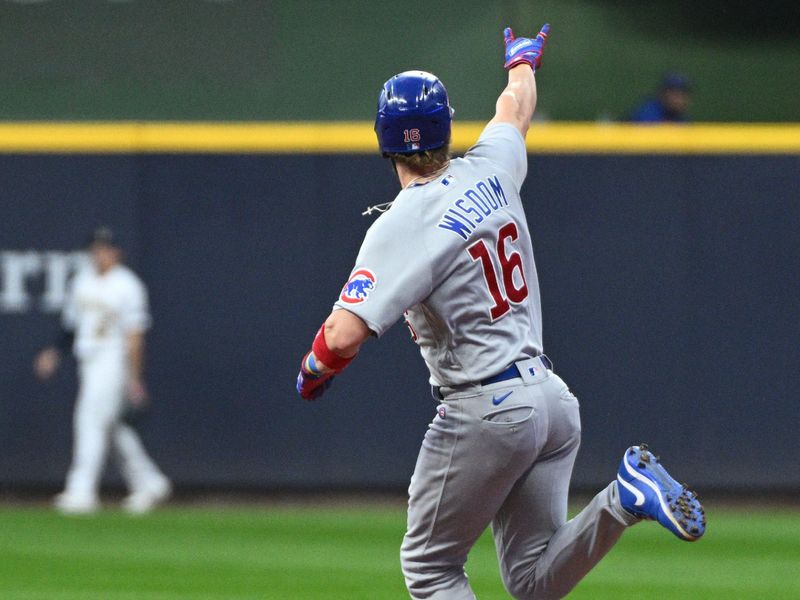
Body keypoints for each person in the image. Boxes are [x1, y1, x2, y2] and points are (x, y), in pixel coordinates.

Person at [296, 23, 705, 600]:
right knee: (532, 582)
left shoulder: (403, 221)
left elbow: (341, 335)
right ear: (446, 126)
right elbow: (514, 108)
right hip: (550, 402)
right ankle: (622, 498)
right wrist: (522, 62)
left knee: (431, 569)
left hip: (485, 409)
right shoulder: (490, 166)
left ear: (384, 141)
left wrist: (313, 372)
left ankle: (624, 498)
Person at [34, 227, 171, 515]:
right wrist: (54, 351)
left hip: (113, 360)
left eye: (105, 248)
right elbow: (71, 325)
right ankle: (149, 482)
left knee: (89, 420)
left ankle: (81, 490)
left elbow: (135, 336)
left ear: (116, 252)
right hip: (88, 359)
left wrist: (133, 377)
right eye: (95, 248)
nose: (99, 253)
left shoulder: (128, 285)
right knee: (111, 426)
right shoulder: (83, 281)